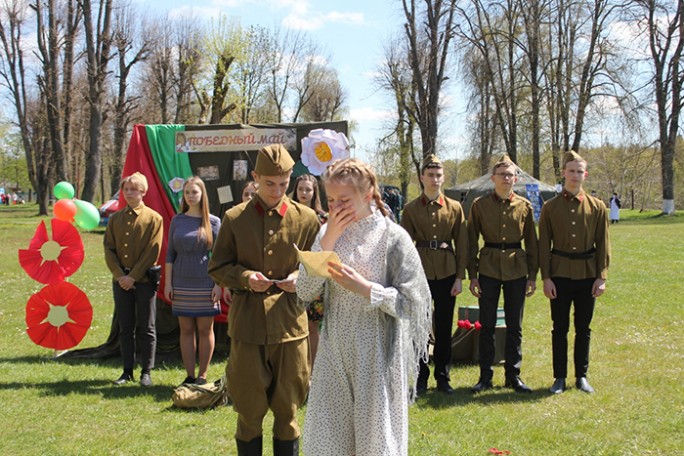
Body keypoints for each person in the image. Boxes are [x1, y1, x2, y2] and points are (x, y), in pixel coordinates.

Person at [296, 158, 431, 455]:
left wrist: (368, 290)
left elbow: (414, 304)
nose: (336, 207)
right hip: (334, 356)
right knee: (328, 443)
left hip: (377, 358)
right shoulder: (325, 233)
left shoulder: (393, 237)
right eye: (331, 199)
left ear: (368, 194)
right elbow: (304, 291)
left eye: (344, 199)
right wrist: (327, 240)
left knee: (376, 444)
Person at [208, 144, 320, 455]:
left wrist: (300, 277)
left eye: (284, 184)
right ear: (256, 177)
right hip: (248, 328)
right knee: (248, 412)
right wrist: (245, 278)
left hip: (290, 329)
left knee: (288, 413)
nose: (277, 190)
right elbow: (217, 266)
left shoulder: (307, 219)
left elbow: (318, 267)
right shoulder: (234, 218)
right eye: (269, 183)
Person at [539, 151, 610, 394]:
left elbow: (603, 243)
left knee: (584, 328)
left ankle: (581, 376)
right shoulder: (550, 208)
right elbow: (543, 245)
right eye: (571, 171)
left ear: (585, 175)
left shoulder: (597, 207)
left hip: (587, 275)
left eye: (580, 171)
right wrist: (546, 278)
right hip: (559, 275)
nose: (575, 175)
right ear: (564, 173)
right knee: (559, 328)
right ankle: (559, 377)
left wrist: (602, 276)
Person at [467, 156, 538, 393]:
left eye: (510, 175)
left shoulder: (525, 206)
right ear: (493, 178)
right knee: (487, 324)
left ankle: (513, 375)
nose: (506, 178)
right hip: (488, 268)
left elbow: (532, 244)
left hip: (517, 269)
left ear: (516, 179)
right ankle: (485, 375)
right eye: (502, 174)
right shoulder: (480, 205)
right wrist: (473, 274)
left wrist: (532, 276)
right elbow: (470, 242)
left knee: (514, 325)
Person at [400, 154, 468, 395]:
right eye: (430, 175)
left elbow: (462, 244)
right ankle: (421, 378)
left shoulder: (455, 208)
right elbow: (405, 246)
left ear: (443, 178)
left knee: (443, 326)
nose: (435, 179)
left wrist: (460, 277)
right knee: (419, 328)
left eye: (438, 175)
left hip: (448, 273)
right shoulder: (410, 210)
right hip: (421, 274)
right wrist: (406, 278)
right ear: (422, 178)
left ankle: (443, 377)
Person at [104, 172, 163, 387]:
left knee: (146, 326)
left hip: (144, 281)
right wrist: (121, 276)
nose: (129, 193)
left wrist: (133, 277)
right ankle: (127, 370)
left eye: (134, 190)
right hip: (121, 282)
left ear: (143, 192)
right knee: (125, 326)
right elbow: (109, 249)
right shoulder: (115, 219)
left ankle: (146, 371)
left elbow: (152, 250)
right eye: (126, 190)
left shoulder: (154, 218)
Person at [164, 177, 222, 386]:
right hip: (181, 281)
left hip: (206, 282)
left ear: (202, 194)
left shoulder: (213, 222)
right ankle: (189, 375)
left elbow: (219, 256)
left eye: (194, 192)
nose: (190, 196)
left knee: (206, 329)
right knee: (186, 329)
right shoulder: (177, 221)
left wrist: (218, 284)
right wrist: (168, 283)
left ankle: (203, 375)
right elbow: (170, 254)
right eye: (187, 192)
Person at [291, 174, 327, 372]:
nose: (304, 193)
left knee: (312, 326)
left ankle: (314, 373)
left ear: (314, 192)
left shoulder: (323, 218)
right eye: (301, 189)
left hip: (315, 278)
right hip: (290, 277)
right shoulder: (287, 214)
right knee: (292, 327)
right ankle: (296, 373)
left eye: (308, 189)